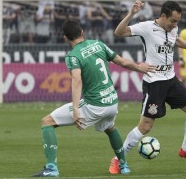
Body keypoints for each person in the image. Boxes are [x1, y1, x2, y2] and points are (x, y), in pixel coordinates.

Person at [32, 19, 156, 177]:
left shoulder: (73, 56)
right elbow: (122, 61)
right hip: (112, 102)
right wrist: (139, 67)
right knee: (109, 127)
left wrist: (76, 109)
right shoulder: (98, 44)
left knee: (47, 122)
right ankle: (124, 166)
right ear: (82, 33)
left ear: (64, 38)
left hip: (95, 105)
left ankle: (51, 168)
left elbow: (77, 80)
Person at [109, 0, 186, 174]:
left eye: (177, 22)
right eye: (172, 21)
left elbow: (175, 40)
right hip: (154, 83)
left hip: (171, 80)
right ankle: (118, 159)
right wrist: (132, 13)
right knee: (145, 127)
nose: (175, 25)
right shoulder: (146, 27)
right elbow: (119, 32)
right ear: (163, 16)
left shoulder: (173, 28)